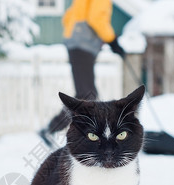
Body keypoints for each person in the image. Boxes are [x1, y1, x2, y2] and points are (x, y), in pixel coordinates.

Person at [39, 0, 125, 146]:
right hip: (82, 45)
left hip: (78, 43)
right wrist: (112, 40)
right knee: (87, 95)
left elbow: (68, 17)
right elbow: (96, 18)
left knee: (85, 95)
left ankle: (58, 130)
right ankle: (61, 131)